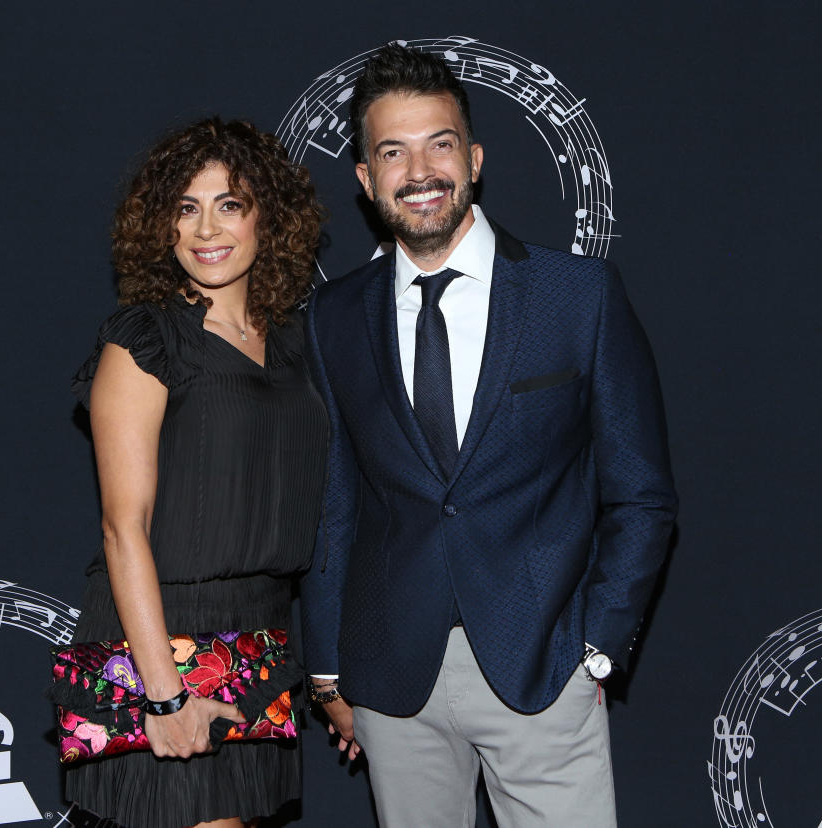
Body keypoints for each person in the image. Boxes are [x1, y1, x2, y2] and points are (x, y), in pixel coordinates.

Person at [300, 44, 678, 827]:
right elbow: (335, 504)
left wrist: (598, 645)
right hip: (391, 672)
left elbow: (640, 494)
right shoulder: (333, 318)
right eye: (392, 151)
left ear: (472, 159)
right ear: (367, 180)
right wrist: (328, 667)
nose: (421, 170)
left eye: (439, 143)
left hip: (543, 662)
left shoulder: (577, 296)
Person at [66, 118, 327, 828]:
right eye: (186, 207)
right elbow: (124, 529)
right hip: (162, 638)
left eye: (229, 204)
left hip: (263, 640)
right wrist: (163, 694)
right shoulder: (145, 339)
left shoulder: (301, 346)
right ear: (162, 225)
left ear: (267, 219)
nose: (205, 227)